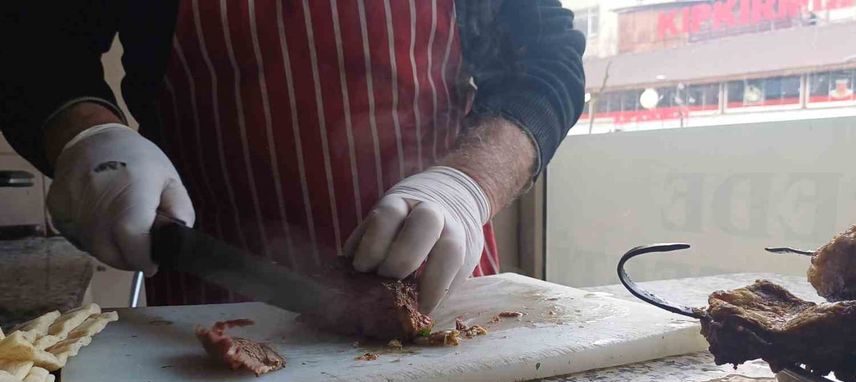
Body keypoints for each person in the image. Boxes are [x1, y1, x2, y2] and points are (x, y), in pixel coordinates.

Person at [0, 0, 585, 313]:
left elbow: (545, 62)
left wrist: (465, 186)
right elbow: (34, 45)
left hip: (436, 272)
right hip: (212, 292)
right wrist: (90, 139)